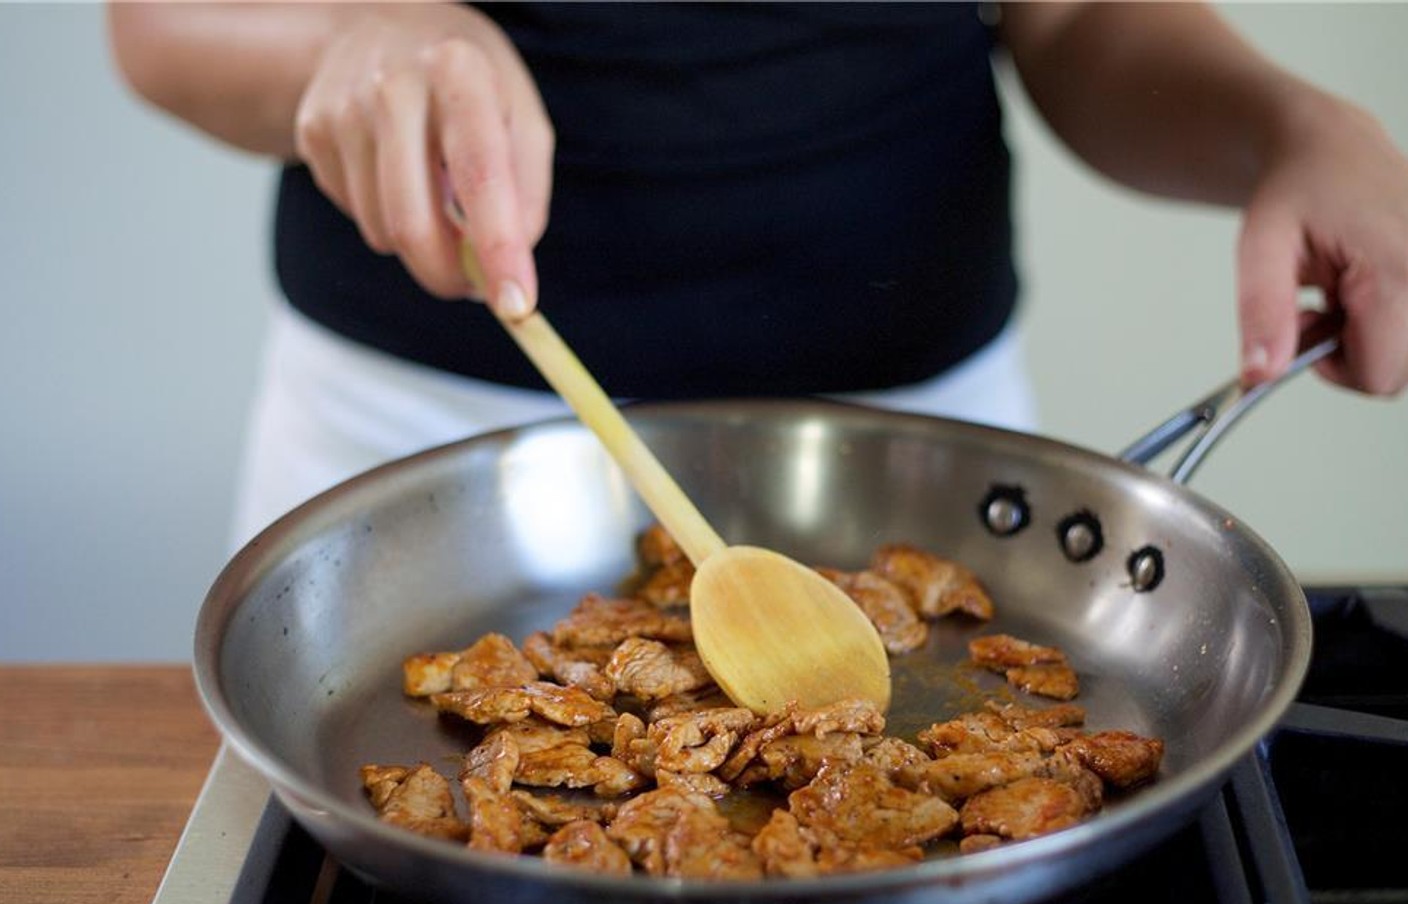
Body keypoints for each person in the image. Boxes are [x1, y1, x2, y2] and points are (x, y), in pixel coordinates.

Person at [107, 2, 1408, 545]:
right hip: (424, 462)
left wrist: (1296, 131)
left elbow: (1075, 17)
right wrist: (353, 32)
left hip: (924, 462)